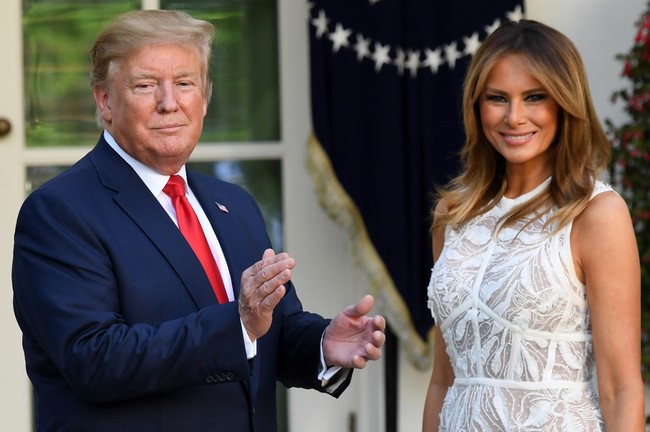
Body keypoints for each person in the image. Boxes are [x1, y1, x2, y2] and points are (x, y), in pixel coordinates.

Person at [12, 9, 386, 432]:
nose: (169, 103)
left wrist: (321, 344)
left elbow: (267, 332)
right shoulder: (59, 212)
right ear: (104, 101)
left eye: (185, 84)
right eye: (145, 85)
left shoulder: (233, 203)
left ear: (204, 98)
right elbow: (95, 360)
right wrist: (238, 323)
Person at [422, 19, 644, 431]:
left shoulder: (595, 214)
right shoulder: (452, 216)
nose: (515, 117)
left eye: (535, 97)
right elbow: (444, 380)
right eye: (497, 98)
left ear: (564, 103)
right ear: (477, 105)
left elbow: (622, 389)